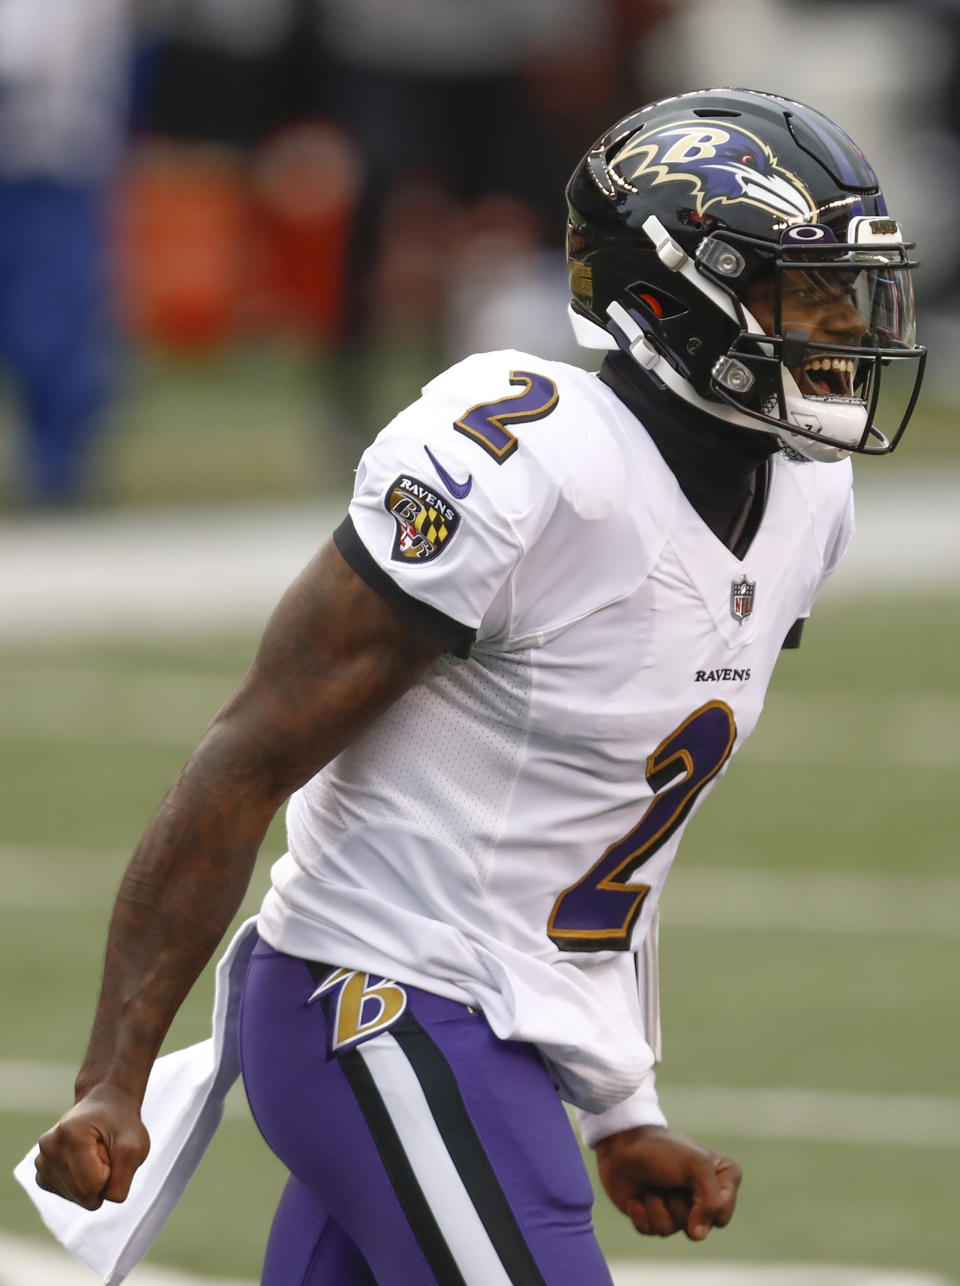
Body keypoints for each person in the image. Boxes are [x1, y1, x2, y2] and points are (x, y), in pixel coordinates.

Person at [31, 89, 925, 1285]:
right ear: (671, 296)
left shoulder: (807, 504)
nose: (838, 325)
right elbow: (246, 757)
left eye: (845, 291)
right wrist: (113, 1072)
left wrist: (618, 1100)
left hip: (488, 1029)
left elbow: (605, 831)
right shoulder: (528, 462)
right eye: (799, 290)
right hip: (375, 1000)